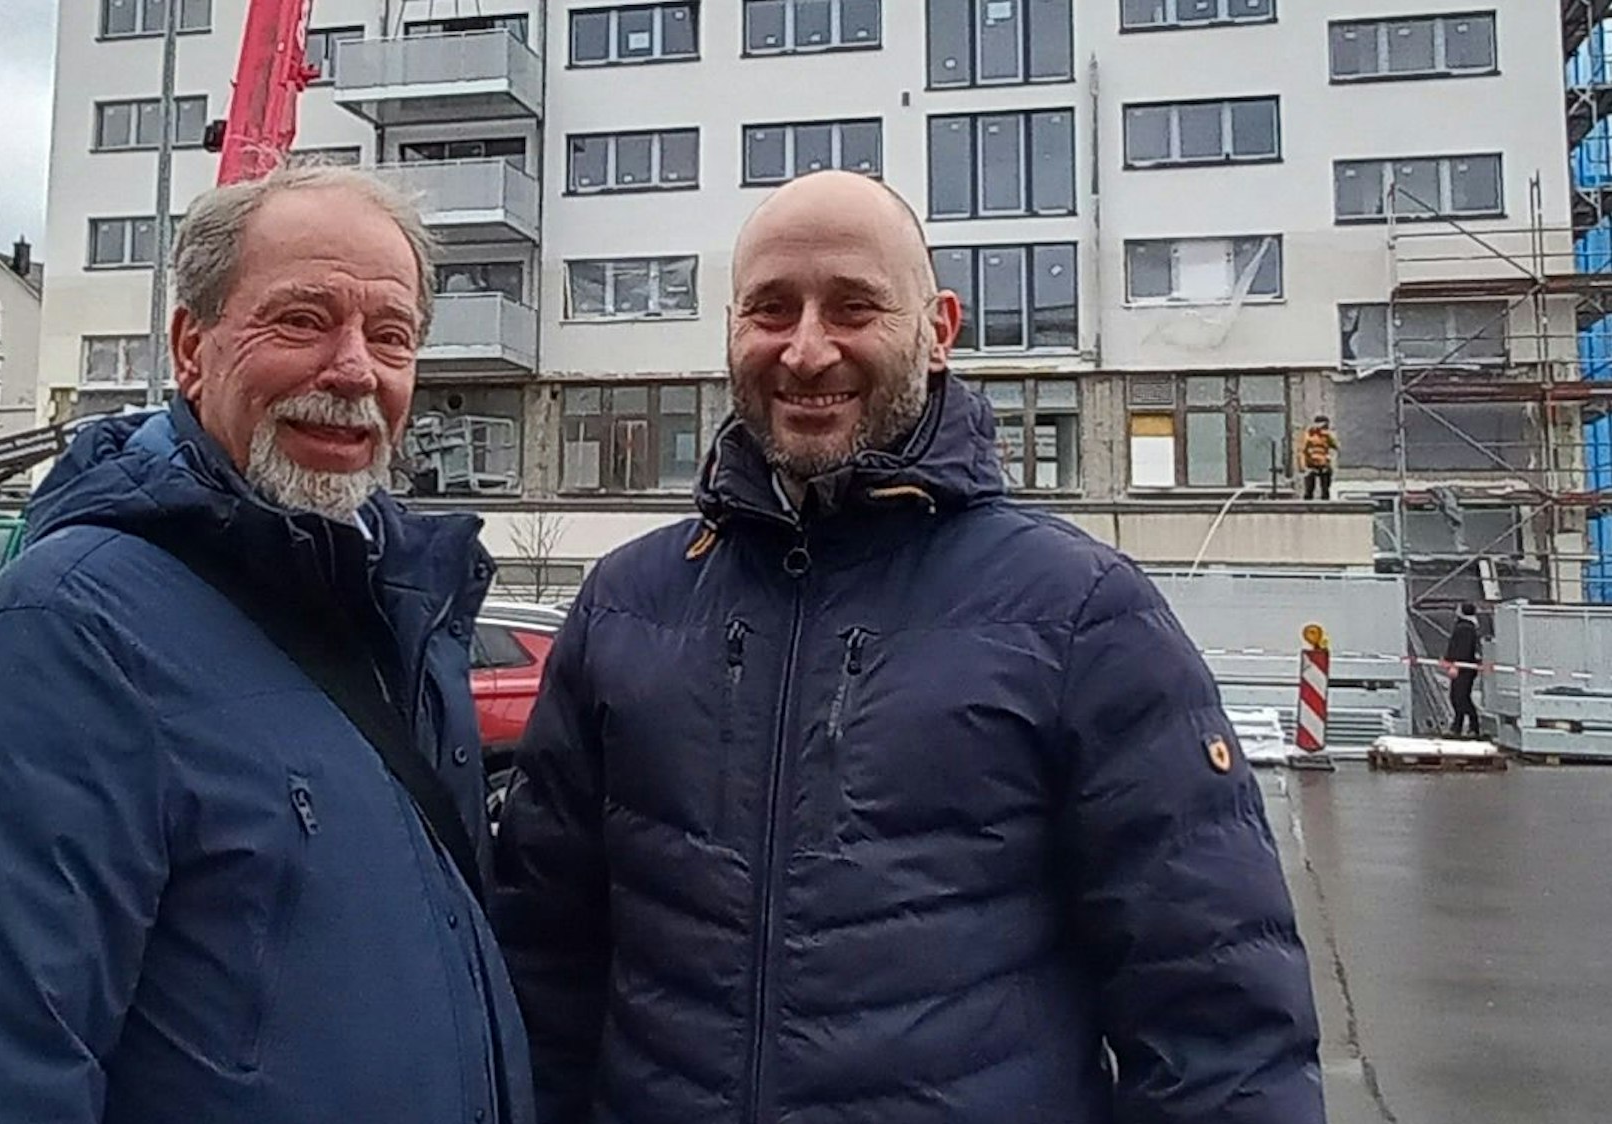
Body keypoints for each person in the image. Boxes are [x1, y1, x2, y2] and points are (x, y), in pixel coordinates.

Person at [492, 171, 1323, 1124]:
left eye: (853, 307)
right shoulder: (627, 605)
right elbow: (541, 967)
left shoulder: (1081, 615)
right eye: (771, 309)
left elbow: (1216, 1018)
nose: (805, 350)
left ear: (938, 328)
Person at [0, 162, 531, 1124]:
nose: (354, 370)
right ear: (190, 346)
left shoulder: (406, 618)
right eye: (302, 320)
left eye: (392, 336)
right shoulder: (71, 626)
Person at [1446, 601, 1484, 739]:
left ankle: (1473, 727)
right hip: (1464, 668)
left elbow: (1462, 649)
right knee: (1457, 697)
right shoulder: (1467, 626)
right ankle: (1458, 725)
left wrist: (1455, 665)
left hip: (1463, 668)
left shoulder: (1465, 628)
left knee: (1460, 697)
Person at [1299, 414, 1339, 500]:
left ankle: (1325, 500)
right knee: (1309, 487)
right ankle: (1308, 502)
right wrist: (1302, 465)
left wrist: (1329, 436)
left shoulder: (1326, 436)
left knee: (1325, 486)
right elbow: (1302, 450)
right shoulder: (1309, 434)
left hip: (1323, 462)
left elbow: (1336, 446)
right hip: (1311, 463)